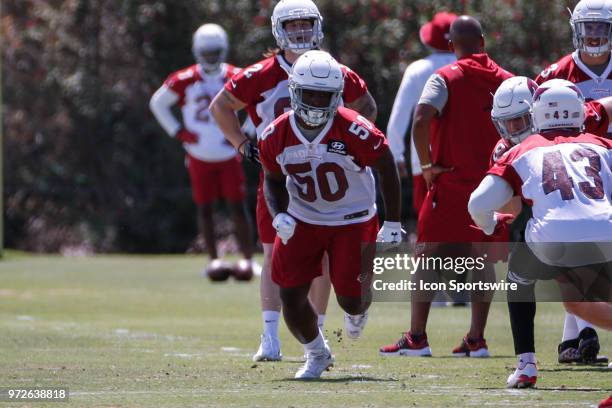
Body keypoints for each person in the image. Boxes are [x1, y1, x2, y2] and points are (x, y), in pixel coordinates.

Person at [209, 0, 377, 362]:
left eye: (306, 24)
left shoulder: (333, 71)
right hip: (281, 178)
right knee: (272, 254)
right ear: (277, 30)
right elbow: (220, 106)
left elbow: (367, 108)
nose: (300, 31)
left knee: (325, 261)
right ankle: (270, 336)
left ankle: (313, 335)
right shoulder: (260, 75)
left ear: (317, 26)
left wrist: (347, 149)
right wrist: (242, 144)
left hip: (325, 182)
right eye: (292, 25)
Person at [259, 50, 402, 378]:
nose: (315, 102)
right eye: (309, 93)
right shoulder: (275, 134)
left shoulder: (354, 129)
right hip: (304, 218)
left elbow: (386, 166)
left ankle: (361, 301)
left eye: (324, 96)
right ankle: (317, 353)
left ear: (337, 96)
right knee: (290, 295)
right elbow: (273, 179)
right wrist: (279, 213)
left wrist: (392, 222)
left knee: (351, 301)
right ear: (294, 91)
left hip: (352, 219)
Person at [379, 15, 513, 358]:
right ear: (483, 42)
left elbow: (420, 119)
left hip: (451, 182)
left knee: (427, 256)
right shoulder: (509, 80)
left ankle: (417, 337)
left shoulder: (444, 77)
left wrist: (425, 165)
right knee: (482, 260)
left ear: (452, 46)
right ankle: (476, 339)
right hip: (494, 183)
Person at [469, 80, 612, 387]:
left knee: (520, 279)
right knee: (578, 303)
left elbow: (478, 202)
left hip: (552, 237)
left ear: (536, 114)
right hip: (605, 232)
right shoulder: (603, 145)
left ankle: (526, 365)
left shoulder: (522, 150)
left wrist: (490, 223)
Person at [534, 0, 612, 364]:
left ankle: (574, 339)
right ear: (576, 28)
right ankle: (577, 336)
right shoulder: (555, 74)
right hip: (577, 171)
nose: (594, 35)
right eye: (589, 27)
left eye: (601, 27)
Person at [149, 23, 255, 277]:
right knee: (204, 207)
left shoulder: (236, 76)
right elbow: (158, 103)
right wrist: (179, 132)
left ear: (223, 50)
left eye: (214, 52)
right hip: (199, 154)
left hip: (229, 153)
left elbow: (258, 103)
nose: (210, 58)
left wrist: (246, 134)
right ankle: (213, 259)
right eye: (206, 53)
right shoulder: (185, 79)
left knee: (237, 206)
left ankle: (248, 260)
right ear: (197, 51)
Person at [387, 11, 457, 216]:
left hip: (424, 160)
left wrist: (397, 155)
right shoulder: (469, 67)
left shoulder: (417, 70)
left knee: (428, 223)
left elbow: (399, 115)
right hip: (464, 159)